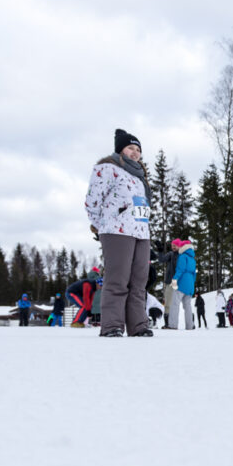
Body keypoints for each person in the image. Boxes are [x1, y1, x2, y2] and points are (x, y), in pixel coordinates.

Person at [84, 128, 152, 337]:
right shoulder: (107, 168)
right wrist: (102, 225)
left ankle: (138, 326)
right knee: (118, 279)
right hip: (116, 230)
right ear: (120, 149)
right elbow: (92, 202)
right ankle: (112, 325)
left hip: (141, 231)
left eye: (138, 149)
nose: (135, 152)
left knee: (139, 281)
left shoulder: (139, 176)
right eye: (130, 148)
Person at [168, 239, 196, 330]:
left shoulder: (183, 256)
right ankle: (190, 326)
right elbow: (194, 273)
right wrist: (192, 285)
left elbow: (180, 270)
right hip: (190, 284)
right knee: (187, 306)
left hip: (182, 283)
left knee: (175, 304)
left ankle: (173, 325)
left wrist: (174, 280)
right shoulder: (192, 258)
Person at [156, 240, 179, 328]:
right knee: (168, 303)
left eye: (175, 245)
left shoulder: (182, 256)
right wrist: (160, 250)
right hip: (169, 281)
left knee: (175, 303)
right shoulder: (170, 254)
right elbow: (161, 260)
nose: (173, 247)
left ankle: (173, 323)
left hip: (176, 281)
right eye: (172, 245)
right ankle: (167, 324)